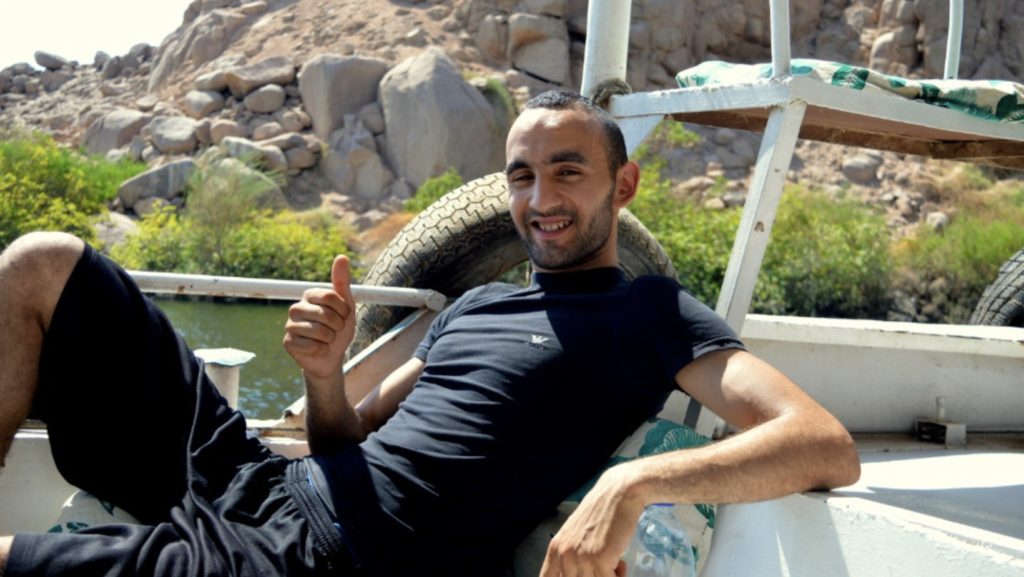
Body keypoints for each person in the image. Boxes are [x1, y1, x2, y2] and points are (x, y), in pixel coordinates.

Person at [0, 90, 860, 577]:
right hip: (270, 481)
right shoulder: (470, 309)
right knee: (43, 263)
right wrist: (327, 375)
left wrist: (629, 485)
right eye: (523, 175)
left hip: (334, 560)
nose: (541, 197)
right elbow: (346, 437)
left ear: (623, 185)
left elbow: (822, 441)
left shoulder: (651, 313)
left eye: (569, 170)